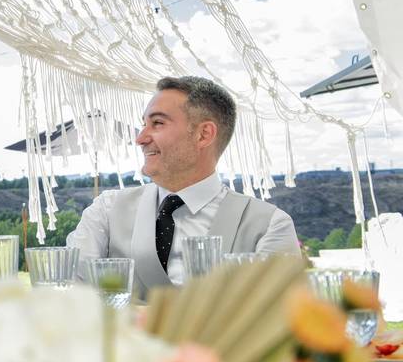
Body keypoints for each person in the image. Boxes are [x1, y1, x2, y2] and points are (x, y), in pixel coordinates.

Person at [66, 76, 300, 299]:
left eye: (157, 123)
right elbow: (70, 295)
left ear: (203, 134)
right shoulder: (106, 211)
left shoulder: (270, 226)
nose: (140, 138)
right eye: (143, 124)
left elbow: (273, 321)